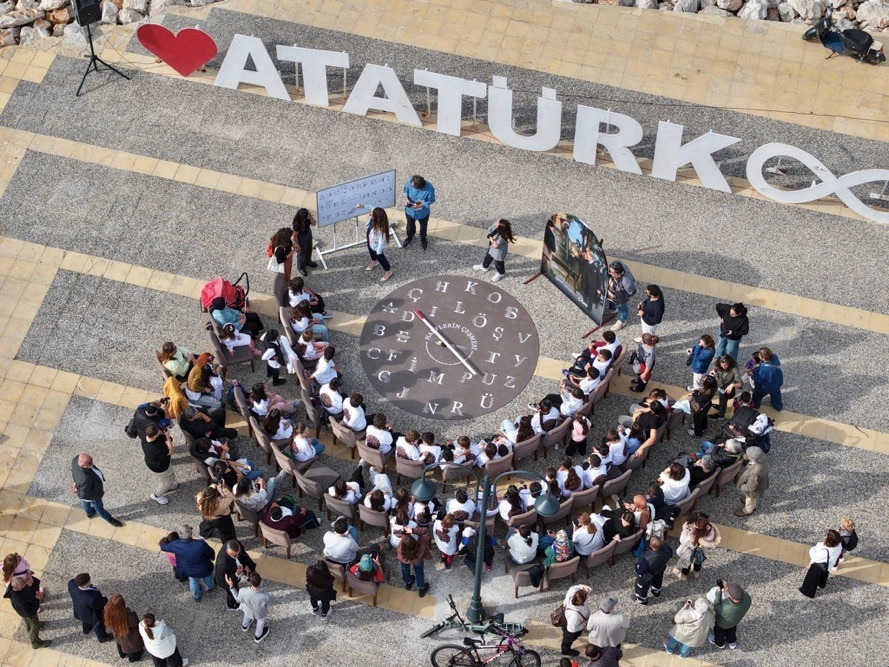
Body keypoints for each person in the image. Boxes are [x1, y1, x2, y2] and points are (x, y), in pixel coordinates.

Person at [159, 524, 216, 602]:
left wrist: (165, 540)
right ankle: (211, 587)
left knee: (193, 582)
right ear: (191, 534)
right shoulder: (201, 544)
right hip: (204, 569)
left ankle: (197, 597)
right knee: (208, 578)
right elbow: (211, 552)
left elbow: (163, 547)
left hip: (190, 571)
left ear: (179, 535)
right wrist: (212, 557)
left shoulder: (176, 545)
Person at [71, 453, 123, 526]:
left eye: (91, 459)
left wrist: (76, 483)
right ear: (83, 465)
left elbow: (73, 471)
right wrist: (78, 491)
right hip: (93, 495)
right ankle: (109, 519)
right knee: (99, 508)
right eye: (89, 462)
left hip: (86, 489)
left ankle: (89, 513)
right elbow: (83, 495)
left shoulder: (76, 460)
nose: (92, 462)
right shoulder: (85, 479)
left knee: (86, 502)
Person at [674, 512, 721, 581]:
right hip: (701, 551)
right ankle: (696, 572)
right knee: (698, 563)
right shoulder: (710, 530)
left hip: (690, 551)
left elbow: (683, 541)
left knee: (686, 564)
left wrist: (688, 533)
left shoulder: (694, 536)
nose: (692, 526)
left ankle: (684, 576)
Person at [6, 576, 49, 649]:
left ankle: (36, 624)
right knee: (33, 627)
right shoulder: (18, 600)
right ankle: (36, 643)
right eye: (24, 585)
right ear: (19, 588)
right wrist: (36, 600)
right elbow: (28, 612)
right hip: (28, 613)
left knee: (31, 623)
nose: (25, 585)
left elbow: (27, 591)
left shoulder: (15, 586)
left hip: (27, 610)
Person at [140, 423, 178, 506]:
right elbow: (171, 451)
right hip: (161, 468)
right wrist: (167, 436)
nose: (160, 432)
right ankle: (157, 495)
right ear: (154, 436)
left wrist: (162, 434)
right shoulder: (155, 450)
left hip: (154, 462)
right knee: (167, 481)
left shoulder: (145, 435)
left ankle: (169, 484)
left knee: (168, 478)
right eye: (158, 432)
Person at [800, 529, 844, 598]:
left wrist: (813, 549)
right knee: (824, 575)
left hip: (818, 566)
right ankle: (821, 584)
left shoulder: (823, 548)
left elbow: (815, 557)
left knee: (811, 580)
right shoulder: (839, 545)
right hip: (827, 566)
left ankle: (807, 592)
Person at [216, 539, 257, 611]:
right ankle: (231, 606)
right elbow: (222, 581)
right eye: (235, 555)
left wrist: (245, 565)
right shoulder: (222, 565)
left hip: (237, 568)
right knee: (231, 593)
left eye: (239, 553)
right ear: (227, 552)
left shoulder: (235, 543)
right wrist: (236, 574)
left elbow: (242, 555)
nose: (238, 556)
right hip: (229, 578)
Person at [709, 581, 751, 650]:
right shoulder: (748, 599)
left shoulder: (724, 608)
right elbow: (743, 593)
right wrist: (729, 589)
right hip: (735, 622)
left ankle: (720, 644)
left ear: (730, 596)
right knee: (731, 631)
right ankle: (732, 642)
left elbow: (716, 606)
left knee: (719, 633)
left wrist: (719, 592)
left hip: (721, 623)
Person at [67, 572, 109, 642]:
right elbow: (100, 605)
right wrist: (106, 599)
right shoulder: (91, 598)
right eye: (89, 580)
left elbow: (72, 582)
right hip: (91, 614)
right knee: (98, 624)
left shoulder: (71, 584)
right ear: (84, 586)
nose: (90, 580)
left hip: (79, 611)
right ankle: (102, 638)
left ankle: (86, 630)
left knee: (86, 621)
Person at [230, 571, 270, 643]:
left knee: (247, 614)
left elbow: (237, 599)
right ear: (260, 581)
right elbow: (267, 603)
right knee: (261, 620)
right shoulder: (265, 596)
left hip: (247, 609)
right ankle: (258, 636)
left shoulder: (243, 591)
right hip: (259, 612)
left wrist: (232, 587)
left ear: (250, 583)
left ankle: (244, 626)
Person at [104, 594, 144, 662]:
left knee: (120, 643)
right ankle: (133, 658)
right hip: (129, 637)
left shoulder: (108, 614)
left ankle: (122, 654)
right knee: (132, 648)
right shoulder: (129, 616)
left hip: (118, 635)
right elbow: (135, 623)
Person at [634, 536, 673, 605]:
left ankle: (642, 600)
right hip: (660, 569)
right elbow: (671, 554)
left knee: (641, 586)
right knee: (658, 580)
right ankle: (656, 591)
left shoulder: (647, 558)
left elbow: (639, 570)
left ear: (650, 545)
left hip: (648, 574)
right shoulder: (667, 548)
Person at [473, 218, 515, 282]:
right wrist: (491, 238)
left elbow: (496, 245)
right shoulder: (497, 226)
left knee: (498, 263)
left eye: (497, 223)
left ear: (500, 228)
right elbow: (490, 229)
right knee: (487, 257)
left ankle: (501, 273)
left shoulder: (503, 237)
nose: (496, 223)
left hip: (498, 252)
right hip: (492, 248)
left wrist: (490, 237)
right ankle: (484, 267)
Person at [402, 174, 436, 250]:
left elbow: (431, 200)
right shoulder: (409, 181)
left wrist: (421, 205)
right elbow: (405, 191)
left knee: (423, 227)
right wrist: (406, 199)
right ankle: (409, 237)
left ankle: (423, 238)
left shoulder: (430, 188)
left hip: (423, 213)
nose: (411, 186)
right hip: (410, 211)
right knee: (410, 226)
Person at [397, 522, 431, 597]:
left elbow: (395, 532)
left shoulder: (402, 545)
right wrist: (412, 530)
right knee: (419, 572)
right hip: (417, 559)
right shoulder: (420, 542)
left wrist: (403, 531)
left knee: (405, 570)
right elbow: (425, 531)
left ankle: (408, 583)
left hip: (404, 559)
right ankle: (421, 588)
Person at [734, 446, 769, 517]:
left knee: (750, 499)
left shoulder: (756, 472)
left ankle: (748, 510)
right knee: (750, 497)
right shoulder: (761, 456)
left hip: (754, 490)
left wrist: (741, 486)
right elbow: (751, 458)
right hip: (761, 482)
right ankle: (749, 502)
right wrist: (744, 456)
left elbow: (751, 487)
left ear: (753, 458)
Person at [561, 584, 593, 657]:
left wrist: (583, 586)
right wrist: (584, 623)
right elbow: (572, 629)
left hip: (567, 618)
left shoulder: (572, 592)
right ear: (580, 603)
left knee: (567, 630)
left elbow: (574, 587)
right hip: (572, 628)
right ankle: (565, 651)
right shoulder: (574, 616)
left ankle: (564, 631)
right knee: (568, 639)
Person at [709, 354, 744, 420]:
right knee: (721, 400)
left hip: (726, 389)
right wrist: (714, 371)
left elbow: (740, 383)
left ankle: (721, 415)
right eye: (721, 364)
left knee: (723, 401)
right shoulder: (719, 365)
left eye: (725, 365)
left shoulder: (734, 369)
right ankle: (721, 406)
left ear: (730, 363)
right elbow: (717, 370)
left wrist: (732, 385)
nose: (723, 367)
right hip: (719, 386)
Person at [364, 206, 394, 281]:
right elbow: (371, 206)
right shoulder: (375, 218)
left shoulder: (381, 229)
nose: (370, 214)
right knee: (371, 251)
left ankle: (388, 271)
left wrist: (378, 252)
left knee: (381, 258)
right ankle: (374, 261)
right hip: (371, 240)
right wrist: (362, 206)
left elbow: (381, 242)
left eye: (372, 214)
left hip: (376, 245)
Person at [605, 261, 636, 332]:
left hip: (620, 297)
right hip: (612, 292)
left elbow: (631, 291)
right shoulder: (618, 264)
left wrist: (622, 297)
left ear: (617, 274)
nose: (609, 273)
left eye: (611, 272)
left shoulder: (626, 281)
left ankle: (622, 321)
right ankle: (613, 310)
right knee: (611, 299)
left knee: (622, 308)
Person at [750, 347, 784, 411]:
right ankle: (778, 407)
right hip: (777, 382)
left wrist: (752, 375)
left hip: (765, 388)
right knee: (776, 395)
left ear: (762, 358)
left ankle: (755, 405)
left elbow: (758, 379)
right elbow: (777, 363)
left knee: (757, 395)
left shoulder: (763, 370)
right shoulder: (775, 356)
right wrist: (760, 365)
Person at [292, 208, 318, 277]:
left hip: (308, 233)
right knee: (301, 252)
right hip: (301, 237)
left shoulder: (308, 218)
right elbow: (295, 236)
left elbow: (314, 224)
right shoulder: (297, 224)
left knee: (309, 248)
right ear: (303, 218)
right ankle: (301, 267)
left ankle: (308, 261)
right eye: (308, 214)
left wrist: (311, 218)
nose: (310, 213)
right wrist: (297, 245)